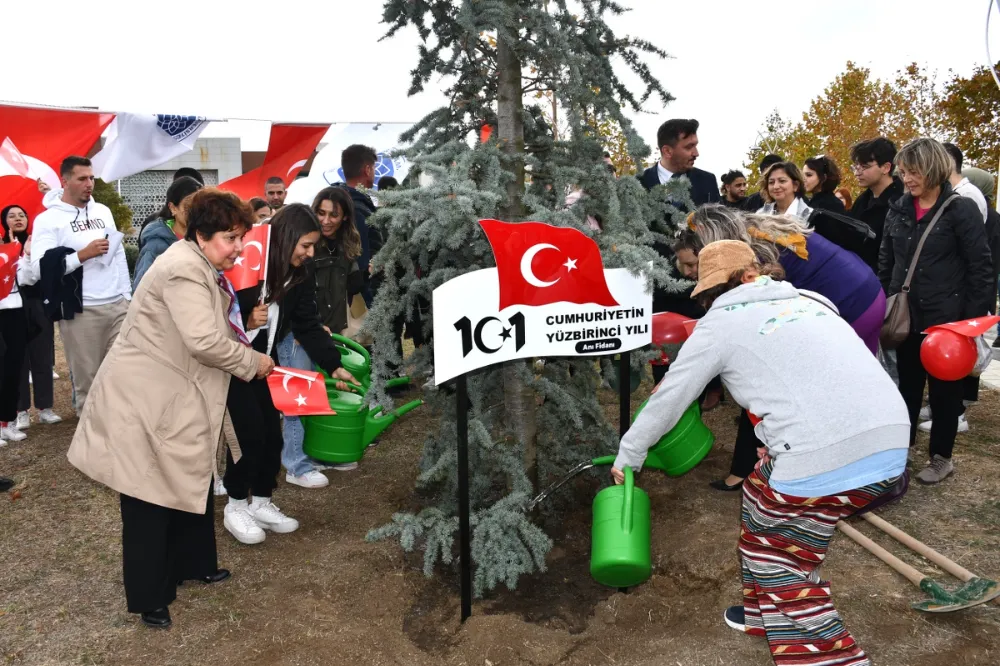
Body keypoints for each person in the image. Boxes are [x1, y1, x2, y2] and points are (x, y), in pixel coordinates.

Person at [612, 240, 909, 666]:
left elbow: (668, 399)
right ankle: (764, 616)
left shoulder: (720, 324)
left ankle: (832, 656)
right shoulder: (811, 300)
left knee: (773, 556)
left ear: (712, 292)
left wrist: (629, 454)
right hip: (892, 442)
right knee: (757, 496)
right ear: (756, 273)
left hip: (826, 456)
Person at [66, 188, 274, 629]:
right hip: (145, 398)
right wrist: (252, 363)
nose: (238, 248)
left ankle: (193, 564)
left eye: (240, 238)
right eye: (231, 238)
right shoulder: (183, 268)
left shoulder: (197, 263)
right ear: (201, 234)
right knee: (146, 496)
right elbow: (204, 340)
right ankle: (149, 595)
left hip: (172, 394)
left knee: (187, 476)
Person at [691, 205, 886, 491]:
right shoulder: (757, 227)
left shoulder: (748, 254)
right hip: (867, 292)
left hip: (848, 307)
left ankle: (837, 473)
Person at [222, 204, 359, 543]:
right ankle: (236, 504)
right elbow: (215, 319)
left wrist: (334, 363)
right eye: (305, 246)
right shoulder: (247, 264)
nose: (310, 253)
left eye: (312, 246)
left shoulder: (298, 273)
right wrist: (244, 321)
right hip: (234, 365)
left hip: (264, 366)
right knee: (246, 436)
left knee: (272, 435)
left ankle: (263, 502)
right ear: (286, 239)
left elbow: (307, 323)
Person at [879, 138, 993, 484]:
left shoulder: (961, 209)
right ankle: (901, 452)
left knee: (945, 393)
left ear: (931, 168)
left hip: (947, 321)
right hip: (907, 316)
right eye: (902, 172)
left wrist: (969, 325)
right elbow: (887, 259)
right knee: (907, 388)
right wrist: (886, 297)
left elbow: (981, 267)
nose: (906, 179)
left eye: (911, 171)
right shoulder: (899, 208)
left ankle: (942, 457)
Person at [31, 156, 132, 413]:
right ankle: (91, 446)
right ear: (65, 182)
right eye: (82, 179)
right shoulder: (48, 219)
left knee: (123, 376)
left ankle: (119, 440)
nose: (89, 184)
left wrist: (126, 296)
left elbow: (118, 254)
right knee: (89, 383)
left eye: (92, 178)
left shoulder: (103, 211)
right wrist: (81, 255)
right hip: (81, 311)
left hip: (117, 305)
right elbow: (38, 268)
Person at [278, 188, 364, 488]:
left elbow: (308, 311)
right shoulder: (277, 262)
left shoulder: (330, 252)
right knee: (296, 400)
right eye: (321, 212)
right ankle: (296, 464)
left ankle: (310, 454)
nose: (325, 220)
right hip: (295, 337)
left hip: (314, 333)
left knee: (309, 397)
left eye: (333, 214)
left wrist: (333, 362)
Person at [3, 207, 61, 431]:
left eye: (22, 215)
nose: (18, 218)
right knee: (17, 358)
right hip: (11, 307)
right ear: (4, 221)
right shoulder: (2, 245)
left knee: (42, 356)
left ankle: (45, 408)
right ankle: (21, 410)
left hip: (37, 304)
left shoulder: (38, 241)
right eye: (12, 215)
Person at [0, 206, 40, 444]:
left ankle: (8, 421)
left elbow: (27, 279)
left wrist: (23, 254)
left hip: (14, 310)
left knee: (13, 366)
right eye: (10, 216)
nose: (16, 219)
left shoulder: (15, 247)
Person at [132, 176, 203, 290]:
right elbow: (142, 289)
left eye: (199, 205)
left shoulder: (205, 239)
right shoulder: (156, 245)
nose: (194, 210)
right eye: (188, 205)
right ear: (173, 208)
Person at [849, 138, 905, 273]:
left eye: (864, 167)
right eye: (856, 167)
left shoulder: (901, 203)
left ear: (886, 167)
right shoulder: (862, 200)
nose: (857, 172)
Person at [638, 119, 720, 207]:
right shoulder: (638, 184)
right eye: (689, 147)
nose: (696, 153)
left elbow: (718, 219)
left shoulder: (708, 180)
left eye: (695, 145)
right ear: (667, 151)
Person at [337, 144, 379, 307]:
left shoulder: (341, 201)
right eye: (374, 169)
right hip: (362, 297)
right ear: (367, 169)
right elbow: (363, 260)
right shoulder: (357, 208)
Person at [943, 143, 988, 223]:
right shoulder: (956, 192)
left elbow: (973, 232)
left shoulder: (968, 194)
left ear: (949, 163)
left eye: (936, 161)